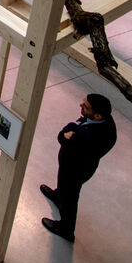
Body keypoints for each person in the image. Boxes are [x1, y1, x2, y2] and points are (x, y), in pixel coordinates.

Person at [41, 93, 118, 243]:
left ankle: (66, 229)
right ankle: (58, 197)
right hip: (73, 165)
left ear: (97, 116)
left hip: (75, 170)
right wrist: (73, 127)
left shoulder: (91, 137)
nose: (81, 106)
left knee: (70, 198)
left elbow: (62, 137)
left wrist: (71, 128)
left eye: (86, 106)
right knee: (64, 189)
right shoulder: (104, 119)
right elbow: (74, 126)